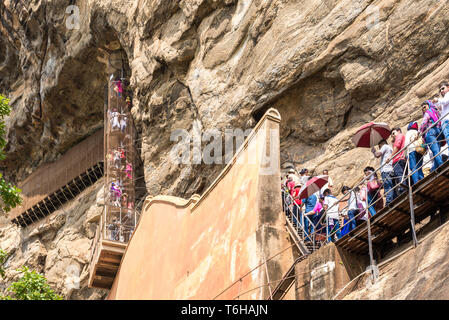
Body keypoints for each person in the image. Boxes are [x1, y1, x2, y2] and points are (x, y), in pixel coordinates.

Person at [419, 100, 444, 170]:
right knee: (437, 151)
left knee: (435, 152)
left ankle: (441, 166)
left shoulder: (427, 113)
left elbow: (424, 122)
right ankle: (436, 168)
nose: (424, 109)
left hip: (430, 132)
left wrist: (419, 131)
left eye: (424, 107)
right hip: (438, 131)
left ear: (428, 105)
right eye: (422, 109)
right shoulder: (436, 111)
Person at [371, 139, 395, 205]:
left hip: (385, 170)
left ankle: (389, 202)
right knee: (392, 185)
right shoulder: (391, 148)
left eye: (379, 146)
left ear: (382, 143)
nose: (379, 148)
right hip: (391, 168)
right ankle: (394, 199)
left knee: (388, 186)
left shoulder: (384, 146)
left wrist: (374, 151)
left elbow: (377, 155)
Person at [389, 128, 406, 198]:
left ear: (398, 131)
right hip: (402, 158)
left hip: (397, 159)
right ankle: (404, 188)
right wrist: (393, 142)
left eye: (393, 133)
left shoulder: (399, 136)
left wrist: (390, 157)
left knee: (399, 175)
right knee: (403, 174)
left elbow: (397, 146)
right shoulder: (402, 136)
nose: (392, 135)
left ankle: (403, 189)